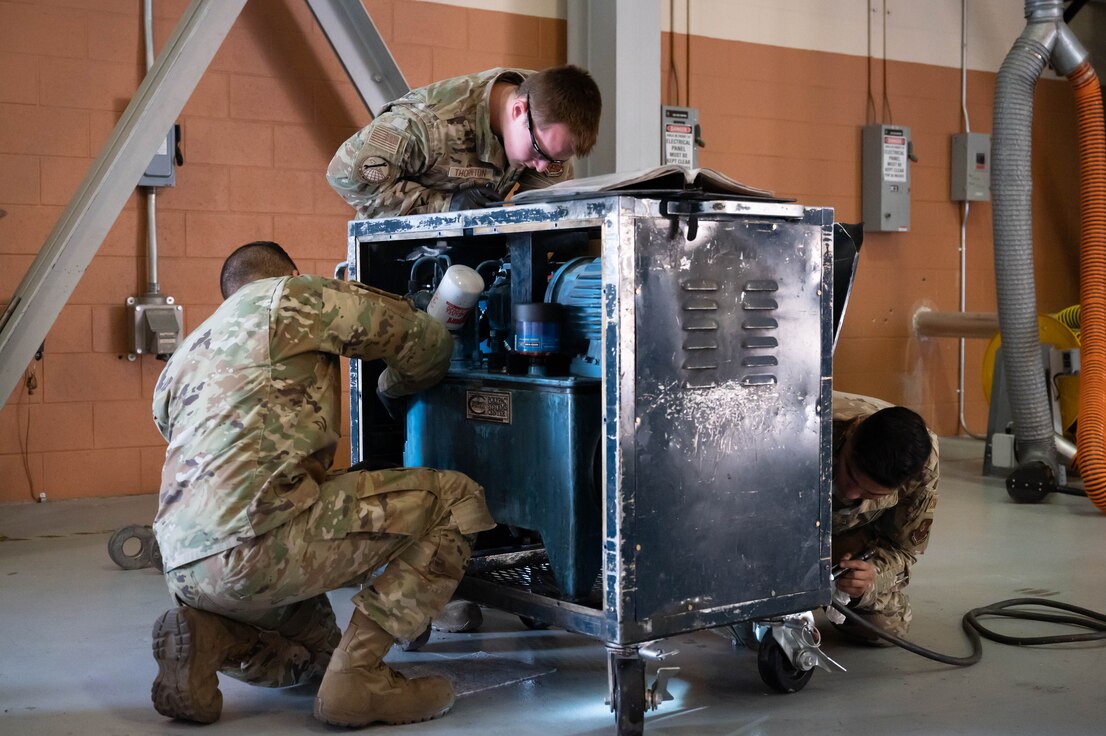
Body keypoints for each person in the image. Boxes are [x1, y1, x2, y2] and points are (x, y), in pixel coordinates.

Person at [149, 241, 495, 727]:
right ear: (291, 272)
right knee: (456, 501)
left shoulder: (186, 354)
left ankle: (211, 637)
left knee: (314, 654)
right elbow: (423, 342)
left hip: (184, 570)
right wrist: (394, 391)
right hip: (259, 546)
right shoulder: (293, 297)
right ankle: (360, 682)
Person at [327, 64, 602, 219]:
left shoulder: (547, 124)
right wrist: (446, 207)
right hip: (401, 266)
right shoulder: (428, 123)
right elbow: (345, 177)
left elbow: (546, 210)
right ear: (518, 111)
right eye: (539, 152)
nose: (542, 167)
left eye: (556, 159)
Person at [830, 391, 939, 645]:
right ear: (852, 435)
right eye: (849, 472)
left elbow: (902, 550)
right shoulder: (802, 428)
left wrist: (870, 578)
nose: (849, 492)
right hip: (775, 526)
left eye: (869, 493)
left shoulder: (922, 466)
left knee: (886, 627)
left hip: (844, 535)